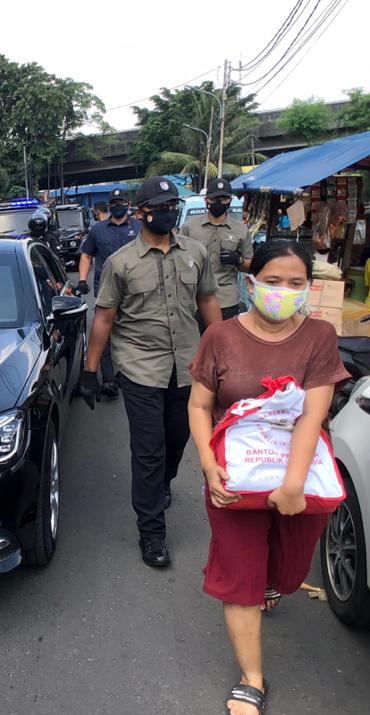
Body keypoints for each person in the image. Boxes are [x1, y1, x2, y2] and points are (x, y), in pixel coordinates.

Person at [187, 239, 349, 715]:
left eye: (295, 283)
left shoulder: (320, 336)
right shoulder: (219, 336)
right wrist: (208, 465)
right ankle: (252, 677)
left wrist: (294, 486)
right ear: (249, 282)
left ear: (308, 287)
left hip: (299, 474)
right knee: (241, 579)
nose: (283, 291)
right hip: (235, 476)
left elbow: (313, 415)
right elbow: (199, 405)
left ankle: (274, 583)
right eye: (273, 281)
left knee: (290, 570)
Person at [79, 176, 222, 568]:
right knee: (148, 451)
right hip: (140, 368)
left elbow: (208, 301)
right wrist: (91, 370)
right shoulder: (121, 263)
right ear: (141, 214)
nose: (168, 213)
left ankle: (163, 483)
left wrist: (224, 352)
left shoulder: (194, 252)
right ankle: (152, 533)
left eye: (172, 206)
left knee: (177, 442)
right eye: (160, 208)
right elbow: (104, 318)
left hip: (187, 368)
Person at [76, 188, 141, 399]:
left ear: (128, 204)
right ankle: (109, 380)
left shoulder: (140, 228)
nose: (118, 205)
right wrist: (82, 280)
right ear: (109, 206)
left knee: (134, 332)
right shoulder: (98, 230)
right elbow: (86, 256)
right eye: (114, 203)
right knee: (104, 333)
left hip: (136, 291)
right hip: (106, 290)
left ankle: (133, 375)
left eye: (121, 202)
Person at [180, 178, 253, 321]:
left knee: (224, 335)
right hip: (194, 297)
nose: (219, 203)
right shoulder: (190, 226)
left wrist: (238, 260)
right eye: (214, 199)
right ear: (206, 200)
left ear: (230, 200)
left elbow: (251, 265)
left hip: (226, 298)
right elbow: (176, 257)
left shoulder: (240, 230)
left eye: (224, 199)